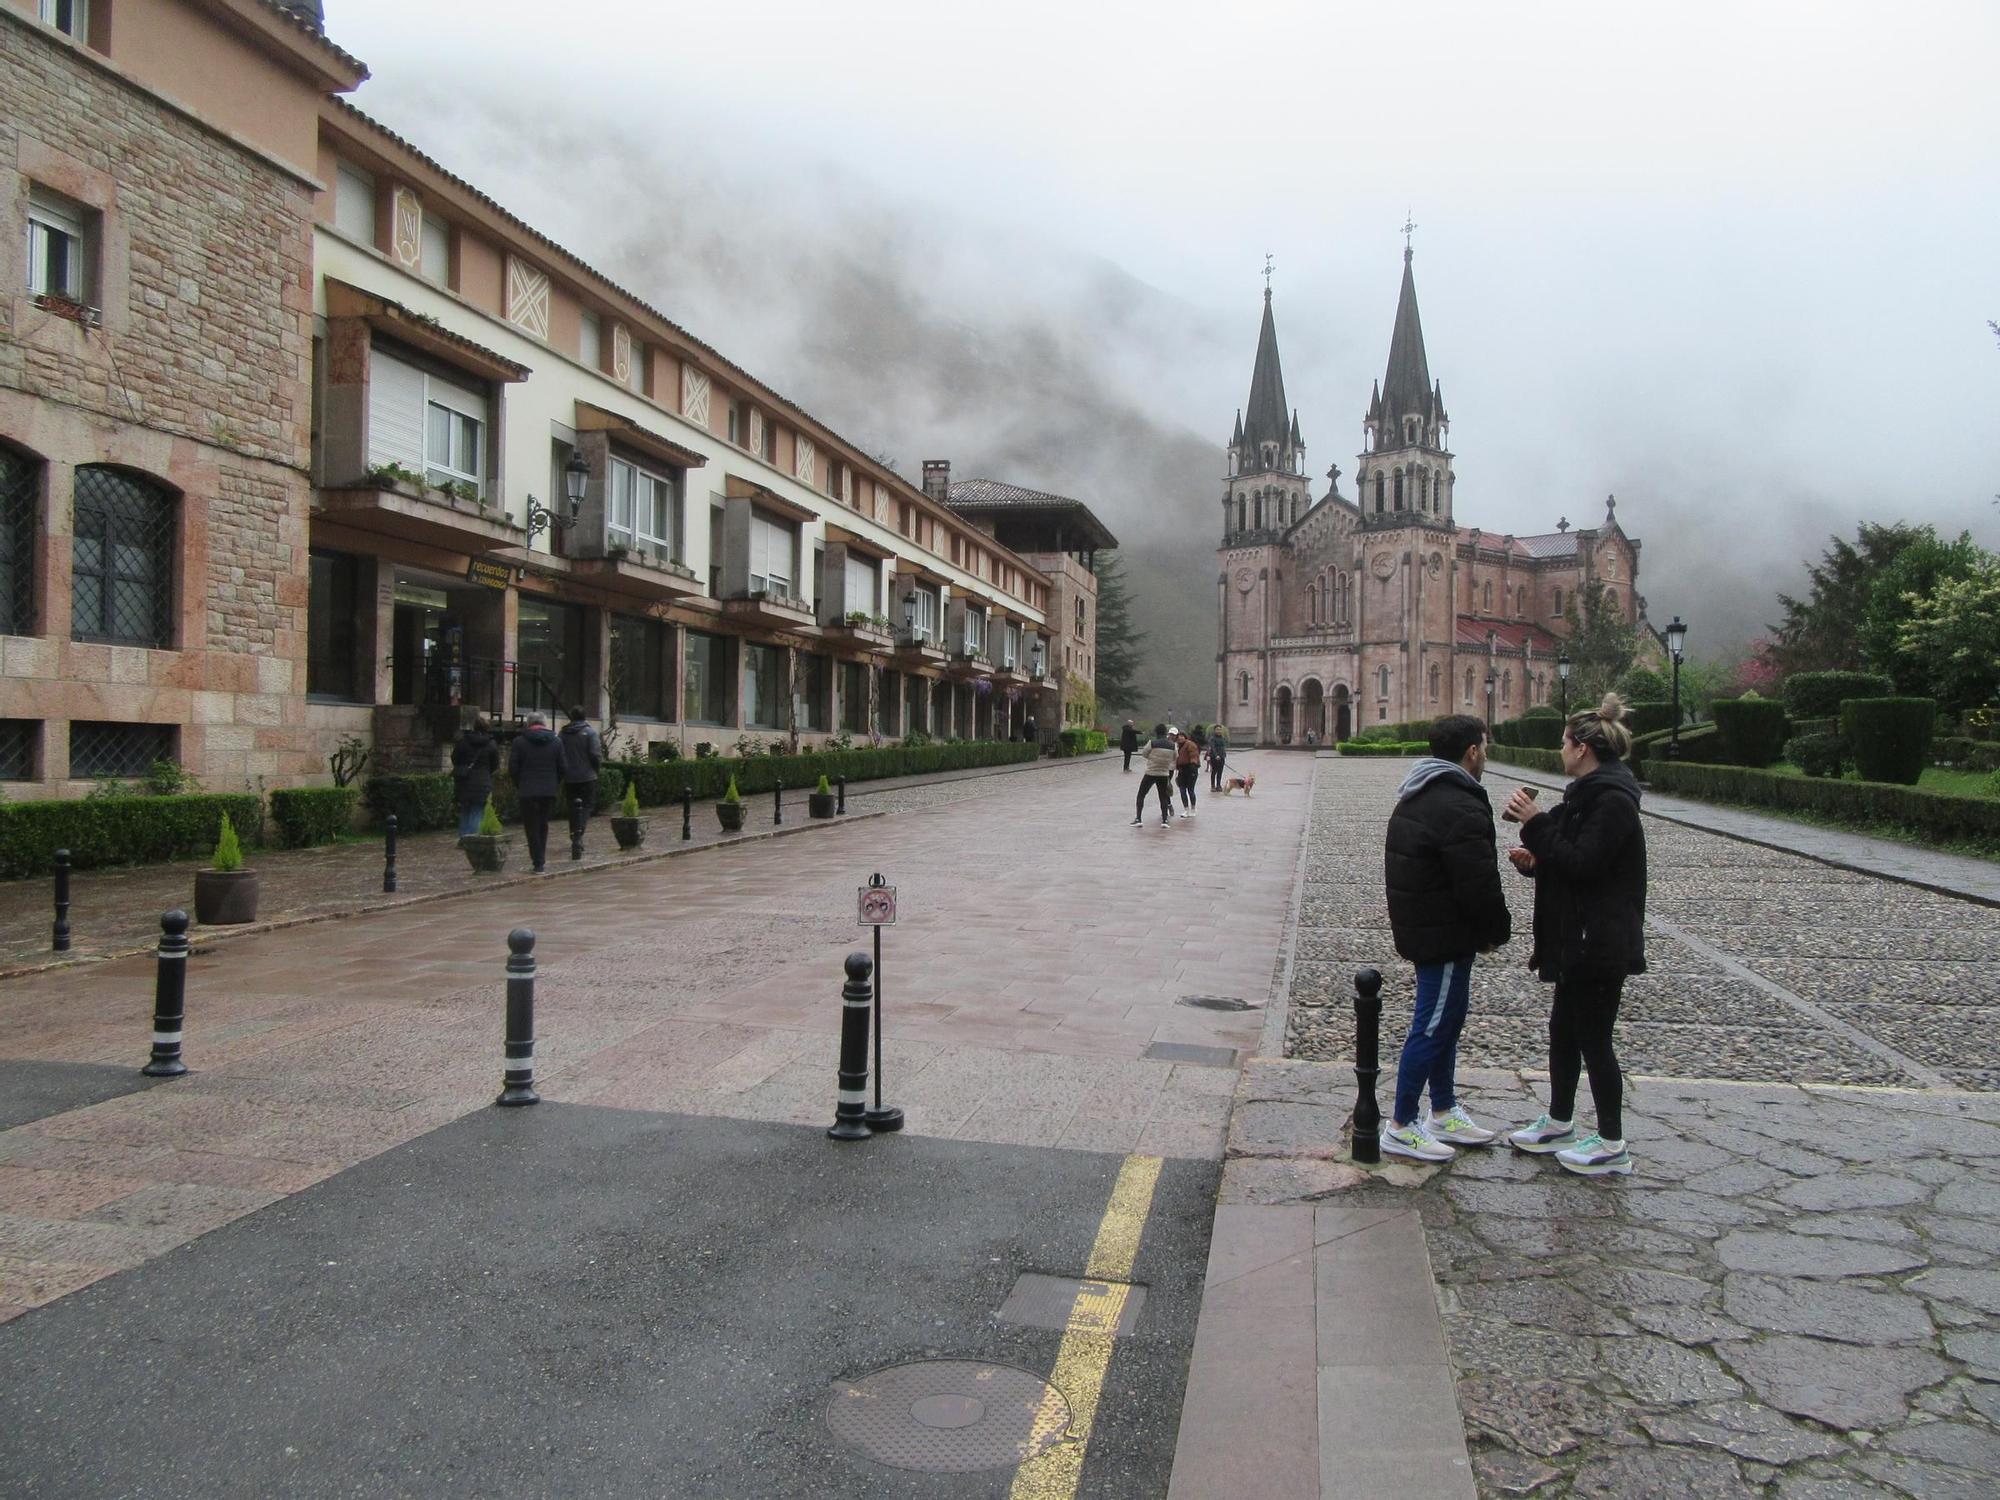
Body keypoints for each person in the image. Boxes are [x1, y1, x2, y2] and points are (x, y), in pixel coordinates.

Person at [1504, 695, 1647, 1177]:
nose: (1560, 749)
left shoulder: (1612, 801)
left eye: (1564, 742)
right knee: (1564, 1032)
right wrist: (1537, 860)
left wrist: (1534, 822)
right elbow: (1568, 855)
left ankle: (1612, 1142)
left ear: (1583, 747)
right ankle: (1560, 1120)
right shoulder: (1586, 795)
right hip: (1578, 937)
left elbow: (1586, 864)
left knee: (1594, 1040)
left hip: (1600, 941)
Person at [1381, 714, 1512, 1161]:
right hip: (1444, 931)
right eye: (1485, 747)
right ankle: (1400, 1124)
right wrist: (1496, 929)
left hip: (1429, 926)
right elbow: (1478, 880)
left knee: (1448, 1020)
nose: (1486, 754)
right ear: (1472, 751)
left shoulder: (1418, 791)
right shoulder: (1459, 803)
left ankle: (1443, 1108)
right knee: (1434, 1024)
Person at [508, 711, 564, 873]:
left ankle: (537, 860)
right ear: (544, 724)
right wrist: (554, 783)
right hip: (548, 790)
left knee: (531, 826)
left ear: (528, 723)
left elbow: (513, 768)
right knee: (543, 824)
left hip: (527, 790)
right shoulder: (557, 742)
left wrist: (520, 784)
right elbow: (563, 767)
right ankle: (540, 858)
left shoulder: (519, 742)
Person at [558, 705, 604, 859]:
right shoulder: (590, 733)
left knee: (572, 807)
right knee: (586, 806)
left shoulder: (563, 734)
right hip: (587, 776)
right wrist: (596, 770)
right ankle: (578, 834)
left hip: (569, 777)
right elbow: (595, 755)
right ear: (585, 717)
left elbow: (559, 754)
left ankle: (574, 833)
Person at [449, 713, 499, 839]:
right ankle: (472, 838)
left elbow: (455, 758)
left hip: (464, 780)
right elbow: (495, 764)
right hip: (482, 781)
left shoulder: (463, 742)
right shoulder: (491, 744)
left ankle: (463, 837)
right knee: (477, 810)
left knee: (465, 809)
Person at [1131, 722, 1176, 828]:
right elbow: (1174, 757)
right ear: (1166, 733)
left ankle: (1138, 818)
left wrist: (1153, 759)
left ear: (1156, 732)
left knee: (1141, 794)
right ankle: (1164, 820)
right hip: (1164, 773)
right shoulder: (1172, 745)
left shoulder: (1152, 743)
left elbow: (1144, 753)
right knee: (1163, 796)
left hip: (1151, 772)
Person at [1174, 725, 1202, 815]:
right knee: (1182, 790)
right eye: (1179, 737)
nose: (1180, 738)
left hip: (1190, 769)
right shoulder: (1177, 746)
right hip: (1181, 770)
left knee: (1190, 790)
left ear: (1185, 737)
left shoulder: (1190, 744)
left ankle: (1193, 809)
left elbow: (1194, 755)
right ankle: (1186, 809)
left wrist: (1193, 765)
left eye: (1182, 736)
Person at [1207, 724, 1230, 792]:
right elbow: (1213, 748)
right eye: (1217, 729)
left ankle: (1218, 785)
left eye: (1220, 729)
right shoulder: (1212, 739)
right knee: (1214, 771)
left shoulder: (1222, 738)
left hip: (1222, 757)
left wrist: (1223, 755)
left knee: (1220, 772)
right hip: (1214, 757)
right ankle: (1213, 785)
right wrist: (1216, 755)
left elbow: (1224, 747)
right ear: (1214, 730)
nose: (1219, 731)